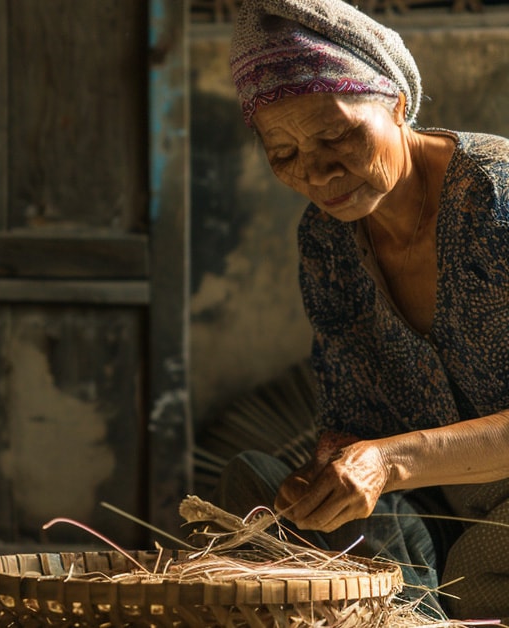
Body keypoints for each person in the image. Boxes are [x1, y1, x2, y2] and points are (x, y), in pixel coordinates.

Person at [219, 0, 509, 619]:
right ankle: (412, 608)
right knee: (255, 488)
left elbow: (388, 456)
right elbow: (354, 423)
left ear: (397, 103)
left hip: (489, 524)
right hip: (440, 507)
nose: (319, 173)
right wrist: (327, 476)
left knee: (480, 567)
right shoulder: (327, 241)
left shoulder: (494, 196)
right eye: (285, 154)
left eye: (337, 135)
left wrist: (390, 460)